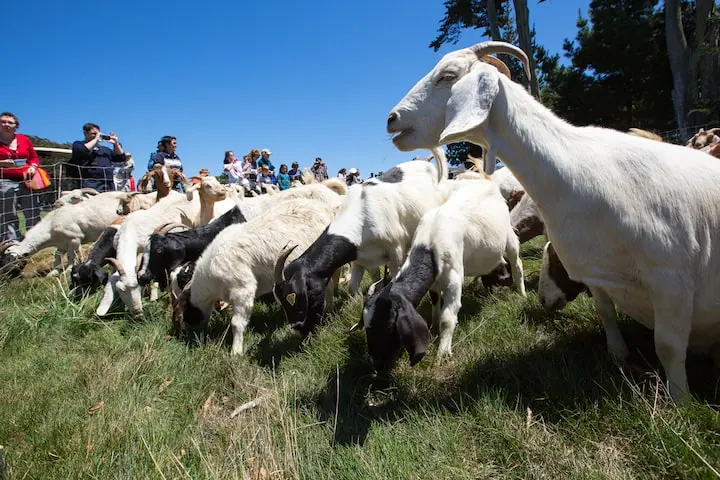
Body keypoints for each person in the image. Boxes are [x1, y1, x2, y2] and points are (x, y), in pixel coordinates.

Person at [0, 112, 40, 241]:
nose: (6, 125)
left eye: (10, 122)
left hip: (27, 180)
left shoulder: (24, 139)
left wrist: (33, 166)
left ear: (16, 126)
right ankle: (12, 242)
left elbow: (34, 157)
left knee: (32, 211)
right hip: (4, 181)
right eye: (3, 122)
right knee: (8, 213)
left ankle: (35, 240)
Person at [69, 122, 125, 192]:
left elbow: (121, 158)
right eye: (93, 134)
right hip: (89, 182)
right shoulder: (78, 145)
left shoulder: (105, 149)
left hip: (108, 182)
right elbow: (83, 151)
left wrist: (116, 144)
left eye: (98, 134)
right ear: (85, 133)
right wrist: (95, 140)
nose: (97, 136)